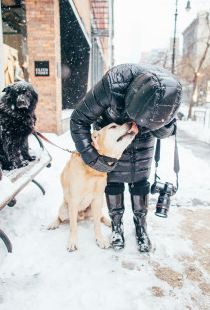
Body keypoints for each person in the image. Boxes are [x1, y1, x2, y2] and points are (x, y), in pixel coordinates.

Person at [70, 64, 181, 253]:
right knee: (113, 180)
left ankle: (141, 228)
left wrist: (161, 127)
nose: (137, 125)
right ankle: (117, 226)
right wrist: (93, 158)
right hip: (112, 138)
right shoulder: (112, 85)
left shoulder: (171, 92)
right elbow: (78, 119)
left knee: (140, 180)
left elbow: (171, 127)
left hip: (145, 141)